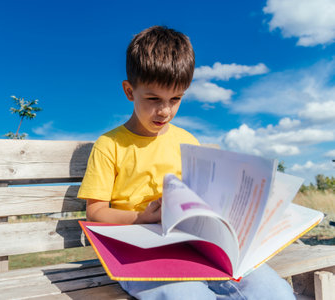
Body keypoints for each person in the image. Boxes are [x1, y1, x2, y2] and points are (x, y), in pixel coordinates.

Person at [77, 25, 295, 300]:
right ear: (129, 91)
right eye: (153, 99)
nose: (165, 111)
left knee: (272, 290)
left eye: (175, 99)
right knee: (188, 294)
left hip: (194, 246)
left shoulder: (187, 141)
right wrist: (141, 217)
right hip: (139, 253)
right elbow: (96, 213)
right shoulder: (110, 145)